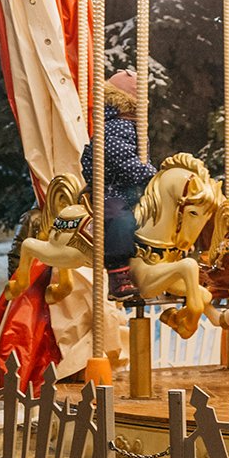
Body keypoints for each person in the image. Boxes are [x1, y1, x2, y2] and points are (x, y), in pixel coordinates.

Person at [78, 70, 157, 300]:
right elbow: (124, 161)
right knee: (119, 218)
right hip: (111, 189)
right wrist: (151, 176)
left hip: (134, 189)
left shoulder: (133, 126)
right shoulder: (113, 127)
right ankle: (118, 273)